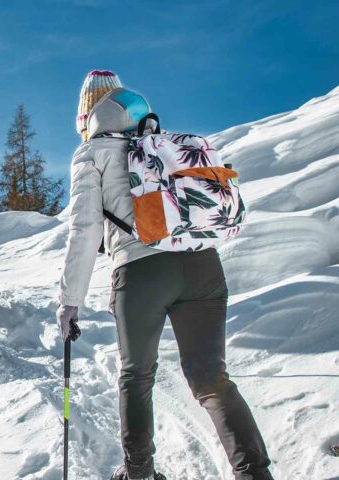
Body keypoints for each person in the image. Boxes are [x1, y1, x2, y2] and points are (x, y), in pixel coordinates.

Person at [57, 70, 273, 480]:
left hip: (141, 274)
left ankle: (139, 473)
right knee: (211, 377)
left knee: (137, 375)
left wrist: (70, 301)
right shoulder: (164, 142)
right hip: (202, 266)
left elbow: (84, 230)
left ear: (87, 113)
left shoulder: (92, 153)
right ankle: (254, 473)